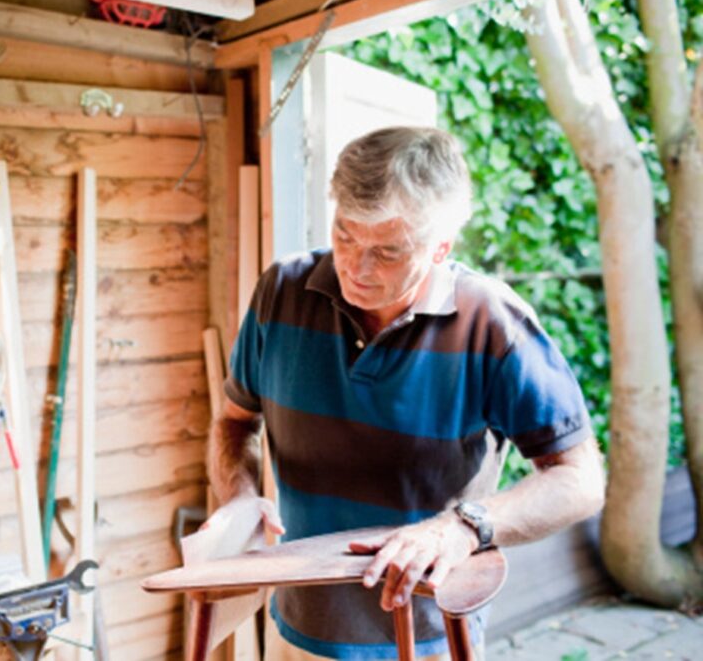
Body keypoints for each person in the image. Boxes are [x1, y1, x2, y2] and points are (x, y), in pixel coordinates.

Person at [210, 126, 606, 661]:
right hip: (297, 628)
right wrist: (237, 496)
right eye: (345, 235)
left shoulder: (492, 323)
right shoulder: (281, 291)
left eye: (387, 252)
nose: (356, 266)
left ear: (440, 247)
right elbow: (235, 422)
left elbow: (580, 480)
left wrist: (465, 527)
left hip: (428, 637)